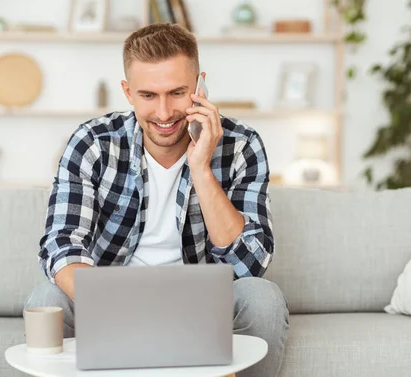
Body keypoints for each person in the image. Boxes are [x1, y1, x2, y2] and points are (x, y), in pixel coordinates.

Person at [24, 23, 289, 377]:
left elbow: (249, 265)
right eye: (148, 95)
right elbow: (61, 246)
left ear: (200, 87)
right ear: (128, 92)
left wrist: (201, 169)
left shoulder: (241, 145)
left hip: (200, 309)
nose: (164, 114)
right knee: (47, 299)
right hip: (109, 304)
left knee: (264, 297)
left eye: (177, 93)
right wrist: (118, 312)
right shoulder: (93, 142)